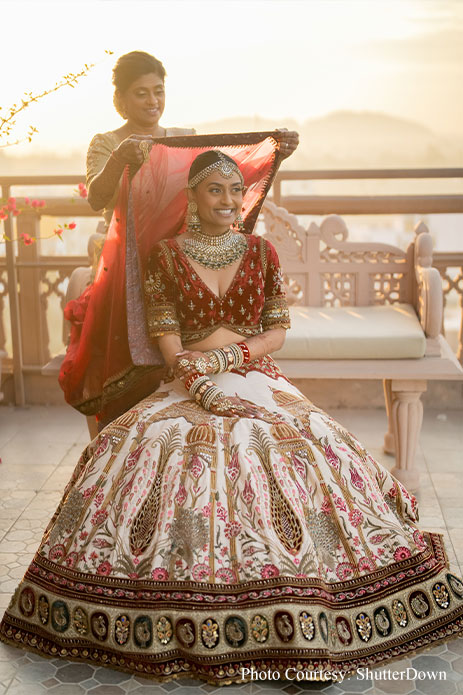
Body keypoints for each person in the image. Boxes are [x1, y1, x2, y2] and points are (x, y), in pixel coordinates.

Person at [2, 149, 463, 684]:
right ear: (192, 198)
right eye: (214, 189)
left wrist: (228, 361)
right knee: (141, 448)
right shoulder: (167, 256)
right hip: (188, 381)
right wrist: (200, 382)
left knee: (299, 444)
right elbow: (168, 342)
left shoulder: (262, 252)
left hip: (256, 376)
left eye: (234, 189)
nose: (227, 200)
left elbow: (276, 331)